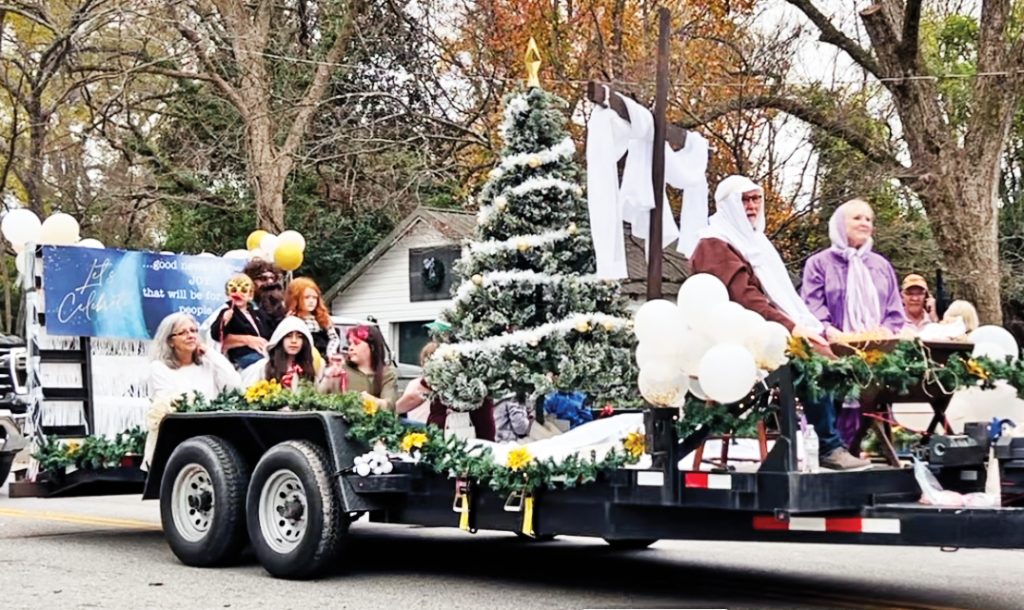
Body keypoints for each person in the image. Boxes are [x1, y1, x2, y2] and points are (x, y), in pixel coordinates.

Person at [689, 174, 870, 471]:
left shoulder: (755, 242)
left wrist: (808, 326)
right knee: (810, 359)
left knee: (836, 356)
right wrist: (792, 329)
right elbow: (745, 299)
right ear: (728, 205)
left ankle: (840, 441)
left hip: (766, 329)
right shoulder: (714, 244)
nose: (752, 206)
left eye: (755, 199)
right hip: (734, 340)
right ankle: (829, 446)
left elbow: (782, 296)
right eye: (744, 200)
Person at [146, 313, 242, 467]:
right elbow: (173, 402)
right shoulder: (159, 368)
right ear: (170, 341)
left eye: (193, 330)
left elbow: (235, 386)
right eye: (183, 332)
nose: (191, 335)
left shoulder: (208, 364)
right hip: (174, 441)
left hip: (211, 441)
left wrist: (210, 353)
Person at [801, 199, 907, 339]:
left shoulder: (881, 265)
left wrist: (885, 331)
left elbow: (895, 309)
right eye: (857, 218)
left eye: (868, 219)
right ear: (840, 224)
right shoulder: (818, 263)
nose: (864, 223)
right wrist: (830, 332)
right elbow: (812, 306)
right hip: (832, 345)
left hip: (879, 345)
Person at [321, 324, 399, 411]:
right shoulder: (340, 370)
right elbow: (319, 399)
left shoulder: (386, 374)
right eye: (350, 344)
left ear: (372, 347)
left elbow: (389, 405)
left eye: (356, 343)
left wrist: (371, 401)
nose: (350, 348)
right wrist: (327, 379)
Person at [241, 316, 321, 388]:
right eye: (288, 336)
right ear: (280, 339)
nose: (294, 341)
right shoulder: (263, 367)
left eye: (299, 337)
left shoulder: (307, 369)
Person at [210, 273, 268, 369]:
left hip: (261, 353)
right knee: (263, 363)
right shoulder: (227, 311)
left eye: (244, 291)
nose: (238, 294)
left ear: (250, 295)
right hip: (242, 356)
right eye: (233, 290)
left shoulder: (257, 314)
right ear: (228, 294)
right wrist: (223, 320)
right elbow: (215, 334)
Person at [284, 277, 340, 358]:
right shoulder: (291, 319)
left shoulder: (322, 318)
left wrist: (330, 354)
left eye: (314, 298)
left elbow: (334, 338)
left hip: (322, 357)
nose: (311, 301)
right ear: (296, 298)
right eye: (306, 297)